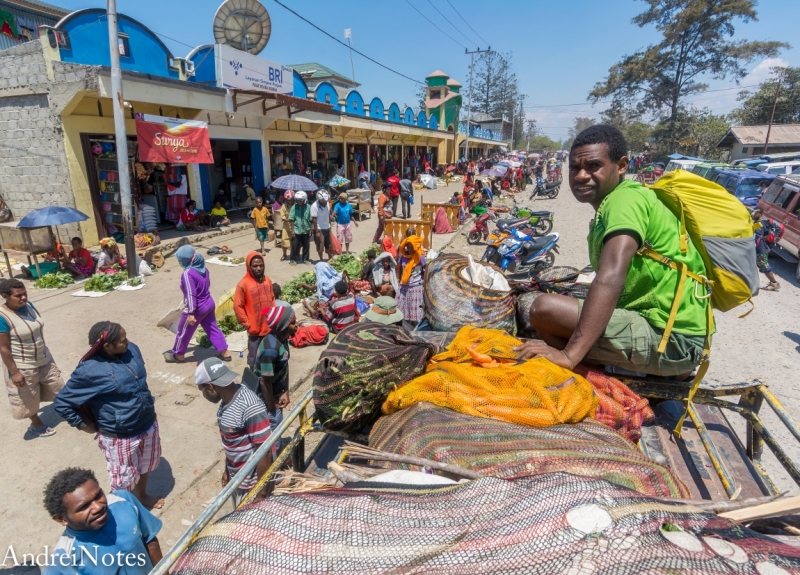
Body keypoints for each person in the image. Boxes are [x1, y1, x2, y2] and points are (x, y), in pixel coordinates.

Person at [514, 125, 710, 379]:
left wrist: (568, 355)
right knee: (559, 303)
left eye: (593, 166)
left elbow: (610, 277)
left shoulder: (623, 201)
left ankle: (582, 370)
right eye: (575, 168)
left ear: (621, 165)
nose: (581, 175)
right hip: (665, 328)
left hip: (673, 340)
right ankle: (599, 367)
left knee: (543, 309)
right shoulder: (617, 202)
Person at [54, 322, 164, 509]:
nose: (128, 342)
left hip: (147, 423)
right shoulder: (89, 371)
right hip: (120, 435)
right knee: (123, 479)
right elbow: (62, 403)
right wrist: (84, 426)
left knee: (145, 465)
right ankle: (124, 510)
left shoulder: (132, 350)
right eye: (122, 341)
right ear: (107, 346)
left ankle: (142, 495)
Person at [43, 467, 163, 575]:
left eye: (98, 495)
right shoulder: (63, 559)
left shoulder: (123, 500)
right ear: (61, 519)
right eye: (84, 506)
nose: (98, 507)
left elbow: (150, 540)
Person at [195, 358, 273, 508]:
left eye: (201, 390)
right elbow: (230, 440)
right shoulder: (226, 402)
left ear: (210, 386)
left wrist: (261, 493)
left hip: (251, 485)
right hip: (237, 477)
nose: (203, 395)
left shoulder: (250, 406)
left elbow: (265, 451)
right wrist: (228, 470)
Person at [0, 279, 64, 438]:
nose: (23, 298)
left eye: (24, 294)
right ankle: (36, 424)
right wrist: (14, 372)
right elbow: (3, 348)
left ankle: (74, 411)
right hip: (23, 365)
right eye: (18, 296)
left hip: (44, 358)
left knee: (59, 387)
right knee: (28, 397)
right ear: (5, 296)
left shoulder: (30, 306)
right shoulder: (3, 317)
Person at [165, 246, 231, 363]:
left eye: (180, 260)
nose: (179, 262)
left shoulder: (188, 273)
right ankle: (225, 353)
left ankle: (178, 355)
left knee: (183, 332)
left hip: (196, 309)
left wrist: (191, 313)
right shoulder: (204, 269)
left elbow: (191, 294)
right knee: (213, 328)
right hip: (209, 304)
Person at [254, 304, 299, 448]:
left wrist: (286, 391)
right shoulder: (270, 350)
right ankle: (275, 461)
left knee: (277, 426)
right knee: (274, 429)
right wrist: (272, 407)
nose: (296, 325)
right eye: (293, 323)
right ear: (284, 327)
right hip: (266, 397)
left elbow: (285, 366)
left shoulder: (283, 340)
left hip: (276, 391)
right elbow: (264, 382)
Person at [234, 252, 276, 368]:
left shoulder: (267, 280)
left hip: (268, 328)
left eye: (261, 265)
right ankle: (254, 379)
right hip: (255, 330)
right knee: (253, 357)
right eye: (255, 266)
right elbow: (238, 306)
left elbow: (272, 299)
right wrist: (247, 324)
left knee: (269, 355)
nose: (258, 268)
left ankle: (268, 378)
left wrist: (274, 318)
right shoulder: (243, 284)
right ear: (249, 267)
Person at [396, 235, 426, 325]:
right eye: (408, 247)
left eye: (411, 247)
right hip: (404, 285)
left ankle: (414, 327)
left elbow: (425, 269)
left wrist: (423, 283)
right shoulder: (403, 256)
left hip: (415, 286)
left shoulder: (420, 257)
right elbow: (400, 269)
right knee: (402, 308)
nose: (409, 249)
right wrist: (399, 280)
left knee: (414, 310)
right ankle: (404, 325)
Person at [752, 208, 781, 291]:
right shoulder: (762, 222)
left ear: (761, 213)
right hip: (763, 247)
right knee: (761, 264)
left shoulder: (760, 223)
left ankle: (774, 283)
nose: (754, 214)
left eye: (756, 213)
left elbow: (757, 237)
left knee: (763, 265)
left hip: (761, 248)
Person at [289, 190, 311, 265]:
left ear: (304, 200)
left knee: (306, 246)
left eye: (300, 200)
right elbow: (291, 219)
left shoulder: (308, 207)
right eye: (297, 200)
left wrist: (311, 230)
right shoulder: (294, 207)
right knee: (295, 246)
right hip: (296, 230)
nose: (299, 202)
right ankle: (292, 259)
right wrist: (292, 230)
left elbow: (310, 219)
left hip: (306, 230)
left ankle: (305, 259)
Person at [310, 190, 332, 262]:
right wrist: (316, 232)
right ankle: (321, 259)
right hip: (319, 228)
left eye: (325, 201)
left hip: (327, 227)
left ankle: (330, 258)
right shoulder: (314, 206)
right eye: (323, 202)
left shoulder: (327, 203)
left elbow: (328, 214)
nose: (325, 203)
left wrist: (330, 225)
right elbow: (314, 220)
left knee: (329, 244)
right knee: (320, 246)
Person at [278, 190, 294, 261]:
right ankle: (284, 254)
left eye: (291, 199)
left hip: (295, 227)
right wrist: (288, 220)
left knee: (296, 242)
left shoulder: (297, 205)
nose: (289, 201)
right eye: (288, 200)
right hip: (286, 227)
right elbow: (282, 216)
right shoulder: (284, 206)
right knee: (284, 241)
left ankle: (296, 254)